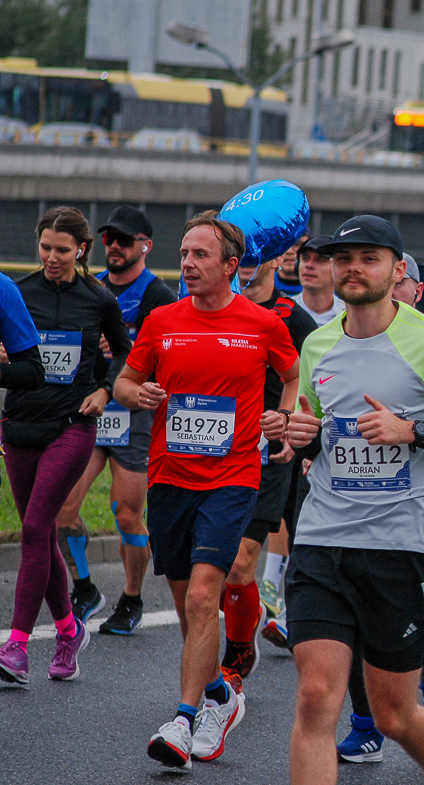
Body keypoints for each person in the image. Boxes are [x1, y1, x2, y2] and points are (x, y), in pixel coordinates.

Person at [282, 215, 424, 785]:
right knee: (314, 698)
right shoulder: (317, 344)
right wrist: (300, 434)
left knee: (394, 713)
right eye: (343, 257)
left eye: (369, 257)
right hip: (323, 539)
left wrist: (413, 431)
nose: (353, 267)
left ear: (397, 269)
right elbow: (316, 427)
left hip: (403, 547)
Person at [116, 213, 300, 769]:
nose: (189, 264)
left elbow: (292, 375)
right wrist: (137, 392)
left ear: (230, 265)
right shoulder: (161, 321)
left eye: (200, 255)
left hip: (233, 477)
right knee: (187, 607)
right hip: (170, 479)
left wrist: (283, 417)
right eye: (185, 253)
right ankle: (222, 693)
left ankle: (183, 720)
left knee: (202, 598)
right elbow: (124, 381)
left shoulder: (262, 324)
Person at [0, 206, 127, 687]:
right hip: (21, 424)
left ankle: (16, 644)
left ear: (82, 250)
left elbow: (125, 355)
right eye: (45, 248)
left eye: (62, 249)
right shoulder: (18, 293)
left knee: (36, 524)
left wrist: (106, 390)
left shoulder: (98, 299)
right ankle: (70, 630)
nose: (52, 257)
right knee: (41, 535)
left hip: (72, 424)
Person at [56, 206, 177, 634]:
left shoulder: (158, 295)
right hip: (91, 408)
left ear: (145, 245)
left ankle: (132, 597)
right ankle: (85, 587)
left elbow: (162, 356)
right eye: (109, 239)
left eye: (124, 240)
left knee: (127, 514)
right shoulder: (91, 288)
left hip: (134, 411)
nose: (114, 247)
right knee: (62, 508)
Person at [215, 254, 318, 681]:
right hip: (212, 451)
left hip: (269, 454)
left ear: (275, 259)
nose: (247, 267)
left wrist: (296, 426)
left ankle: (236, 654)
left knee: (240, 561)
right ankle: (244, 614)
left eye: (258, 257)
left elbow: (314, 380)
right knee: (209, 571)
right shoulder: (214, 310)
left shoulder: (294, 318)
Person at [296, 236, 344, 324]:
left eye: (321, 260)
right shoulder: (282, 312)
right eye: (305, 258)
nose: (309, 265)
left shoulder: (350, 316)